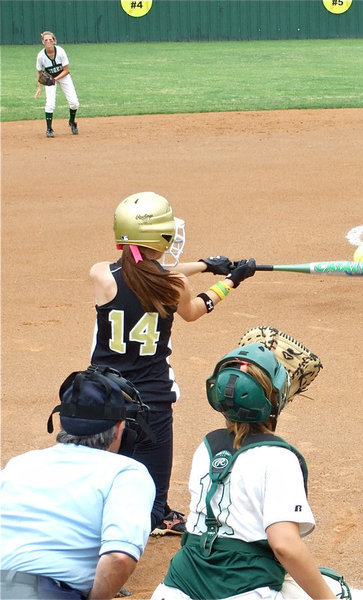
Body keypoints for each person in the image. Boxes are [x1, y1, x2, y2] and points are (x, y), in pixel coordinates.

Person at [90, 191, 256, 536]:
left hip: (103, 392)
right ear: (158, 236)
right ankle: (157, 515)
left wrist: (204, 264)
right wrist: (229, 281)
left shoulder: (101, 275)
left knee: (107, 463)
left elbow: (144, 272)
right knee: (153, 474)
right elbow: (194, 309)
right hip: (151, 395)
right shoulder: (174, 284)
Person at [151, 343, 337, 600]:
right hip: (243, 589)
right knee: (336, 589)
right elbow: (285, 546)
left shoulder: (206, 448)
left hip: (176, 587)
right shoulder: (279, 457)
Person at [0, 365, 155, 600]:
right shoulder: (126, 473)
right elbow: (119, 557)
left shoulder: (20, 463)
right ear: (119, 429)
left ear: (61, 424)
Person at [34, 31, 80, 137]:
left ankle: (72, 122)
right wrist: (39, 87)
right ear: (42, 42)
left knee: (74, 103)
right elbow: (39, 72)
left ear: (54, 40)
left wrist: (55, 79)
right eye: (46, 40)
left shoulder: (60, 51)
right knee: (50, 104)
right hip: (49, 79)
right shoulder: (41, 56)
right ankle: (49, 129)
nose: (48, 42)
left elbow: (66, 70)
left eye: (50, 40)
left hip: (63, 77)